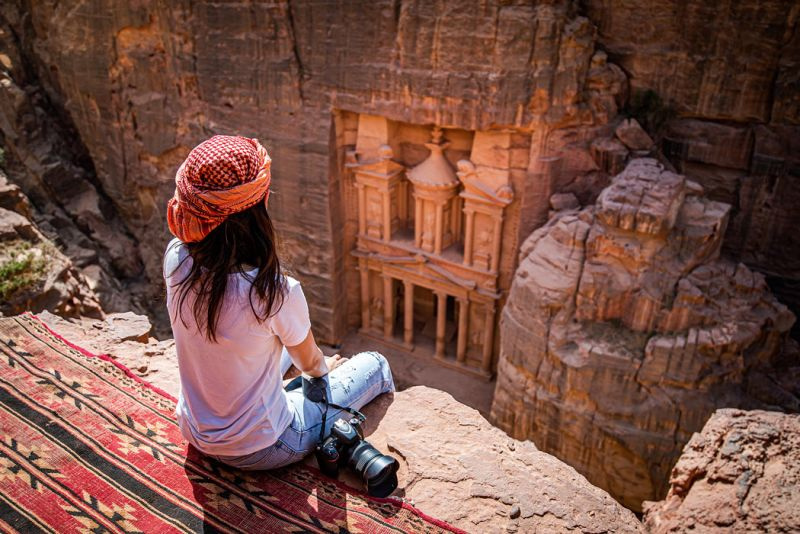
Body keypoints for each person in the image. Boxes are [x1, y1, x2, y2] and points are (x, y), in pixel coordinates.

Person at [163, 135, 395, 470]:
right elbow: (312, 365)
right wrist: (316, 377)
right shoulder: (273, 292)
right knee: (376, 365)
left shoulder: (176, 258)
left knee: (270, 344)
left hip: (195, 431)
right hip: (264, 446)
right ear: (258, 207)